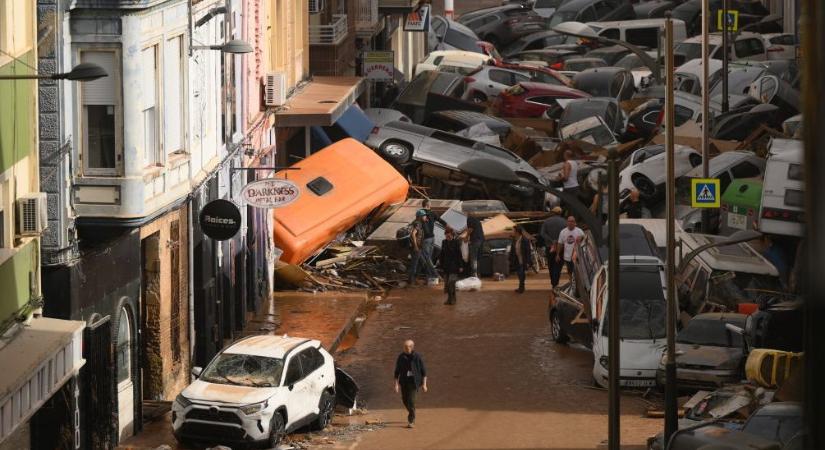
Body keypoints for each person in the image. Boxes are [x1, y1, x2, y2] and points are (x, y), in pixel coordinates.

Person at [394, 340, 428, 428]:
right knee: (405, 401)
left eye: (407, 347)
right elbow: (397, 372)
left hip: (414, 383)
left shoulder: (417, 357)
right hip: (404, 382)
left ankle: (411, 421)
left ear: (411, 347)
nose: (405, 348)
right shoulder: (401, 357)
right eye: (404, 347)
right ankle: (412, 412)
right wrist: (396, 385)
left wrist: (424, 385)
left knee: (411, 401)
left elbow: (424, 372)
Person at [407, 210, 438, 285]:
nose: (425, 217)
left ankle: (415, 278)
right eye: (424, 216)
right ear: (420, 217)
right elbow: (413, 234)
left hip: (418, 247)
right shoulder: (418, 223)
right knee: (415, 264)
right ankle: (412, 281)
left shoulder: (418, 222)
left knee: (420, 262)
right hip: (416, 248)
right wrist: (416, 246)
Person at [539, 207, 567, 290]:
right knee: (558, 266)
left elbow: (542, 233)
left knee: (551, 265)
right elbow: (567, 234)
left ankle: (553, 283)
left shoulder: (547, 221)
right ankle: (556, 283)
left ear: (553, 213)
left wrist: (551, 240)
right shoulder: (564, 222)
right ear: (560, 213)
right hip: (561, 247)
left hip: (549, 247)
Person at [439, 227, 464, 305]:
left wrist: (461, 266)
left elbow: (459, 255)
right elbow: (442, 254)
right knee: (447, 284)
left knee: (451, 283)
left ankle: (453, 299)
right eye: (446, 236)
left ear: (452, 235)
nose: (447, 237)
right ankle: (449, 299)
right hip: (446, 266)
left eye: (449, 236)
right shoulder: (444, 242)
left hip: (454, 266)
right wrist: (441, 263)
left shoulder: (456, 242)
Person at [556, 216, 584, 285]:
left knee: (578, 271)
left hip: (578, 256)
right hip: (567, 256)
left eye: (572, 221)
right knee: (570, 271)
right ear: (567, 223)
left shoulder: (579, 231)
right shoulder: (563, 232)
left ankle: (578, 284)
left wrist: (582, 237)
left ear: (575, 223)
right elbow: (560, 243)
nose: (570, 223)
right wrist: (557, 254)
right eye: (569, 221)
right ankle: (572, 283)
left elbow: (585, 239)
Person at [421, 199, 446, 271]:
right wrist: (447, 226)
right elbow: (440, 220)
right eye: (430, 203)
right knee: (428, 256)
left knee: (428, 256)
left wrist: (447, 226)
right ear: (427, 204)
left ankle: (429, 271)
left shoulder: (431, 213)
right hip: (427, 238)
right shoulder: (422, 212)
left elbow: (440, 220)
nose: (431, 204)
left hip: (431, 238)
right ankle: (432, 272)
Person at [511, 225, 534, 294]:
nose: (512, 232)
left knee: (521, 274)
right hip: (517, 260)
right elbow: (513, 251)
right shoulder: (514, 240)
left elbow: (528, 251)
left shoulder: (525, 240)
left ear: (517, 232)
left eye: (513, 230)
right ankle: (521, 287)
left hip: (523, 260)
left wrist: (528, 262)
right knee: (519, 274)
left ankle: (521, 288)